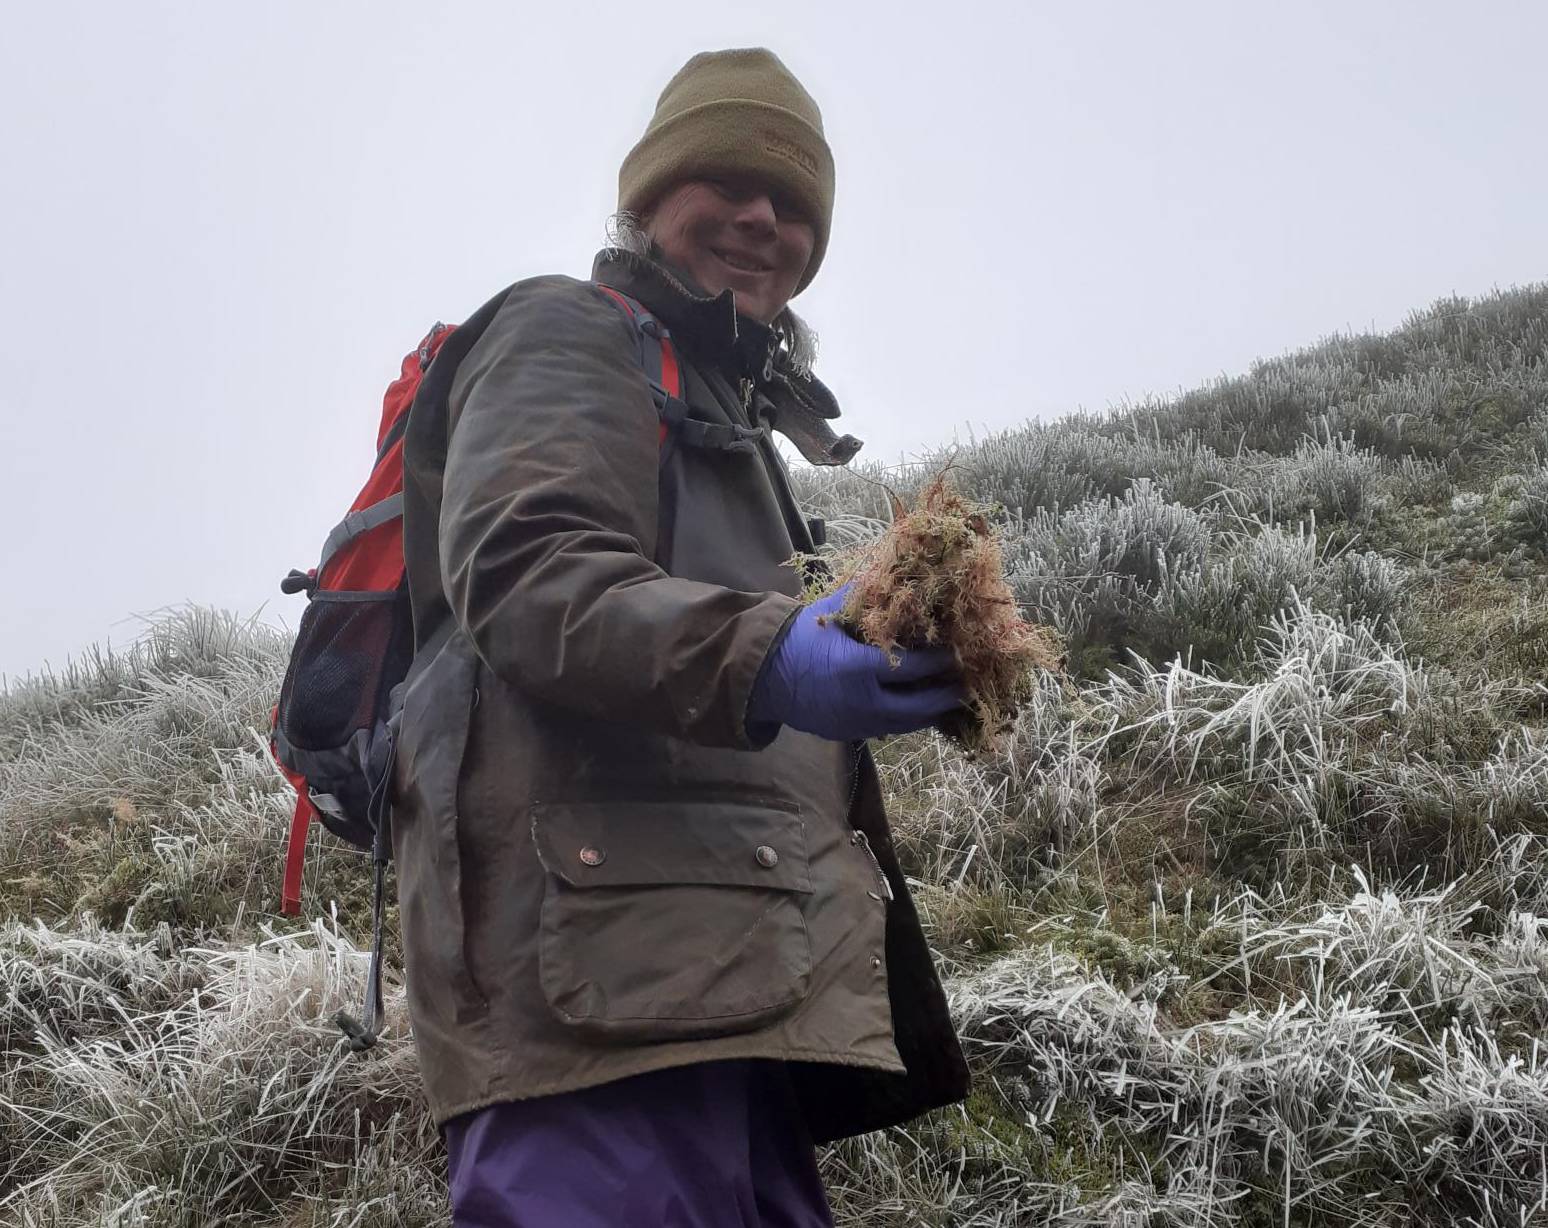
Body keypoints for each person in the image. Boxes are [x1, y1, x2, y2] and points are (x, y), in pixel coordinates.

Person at [394, 47, 970, 1227]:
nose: (764, 217)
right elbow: (529, 576)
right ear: (648, 196)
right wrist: (773, 657)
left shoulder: (735, 417)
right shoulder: (566, 330)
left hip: (720, 987)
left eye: (796, 202)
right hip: (588, 1005)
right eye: (727, 181)